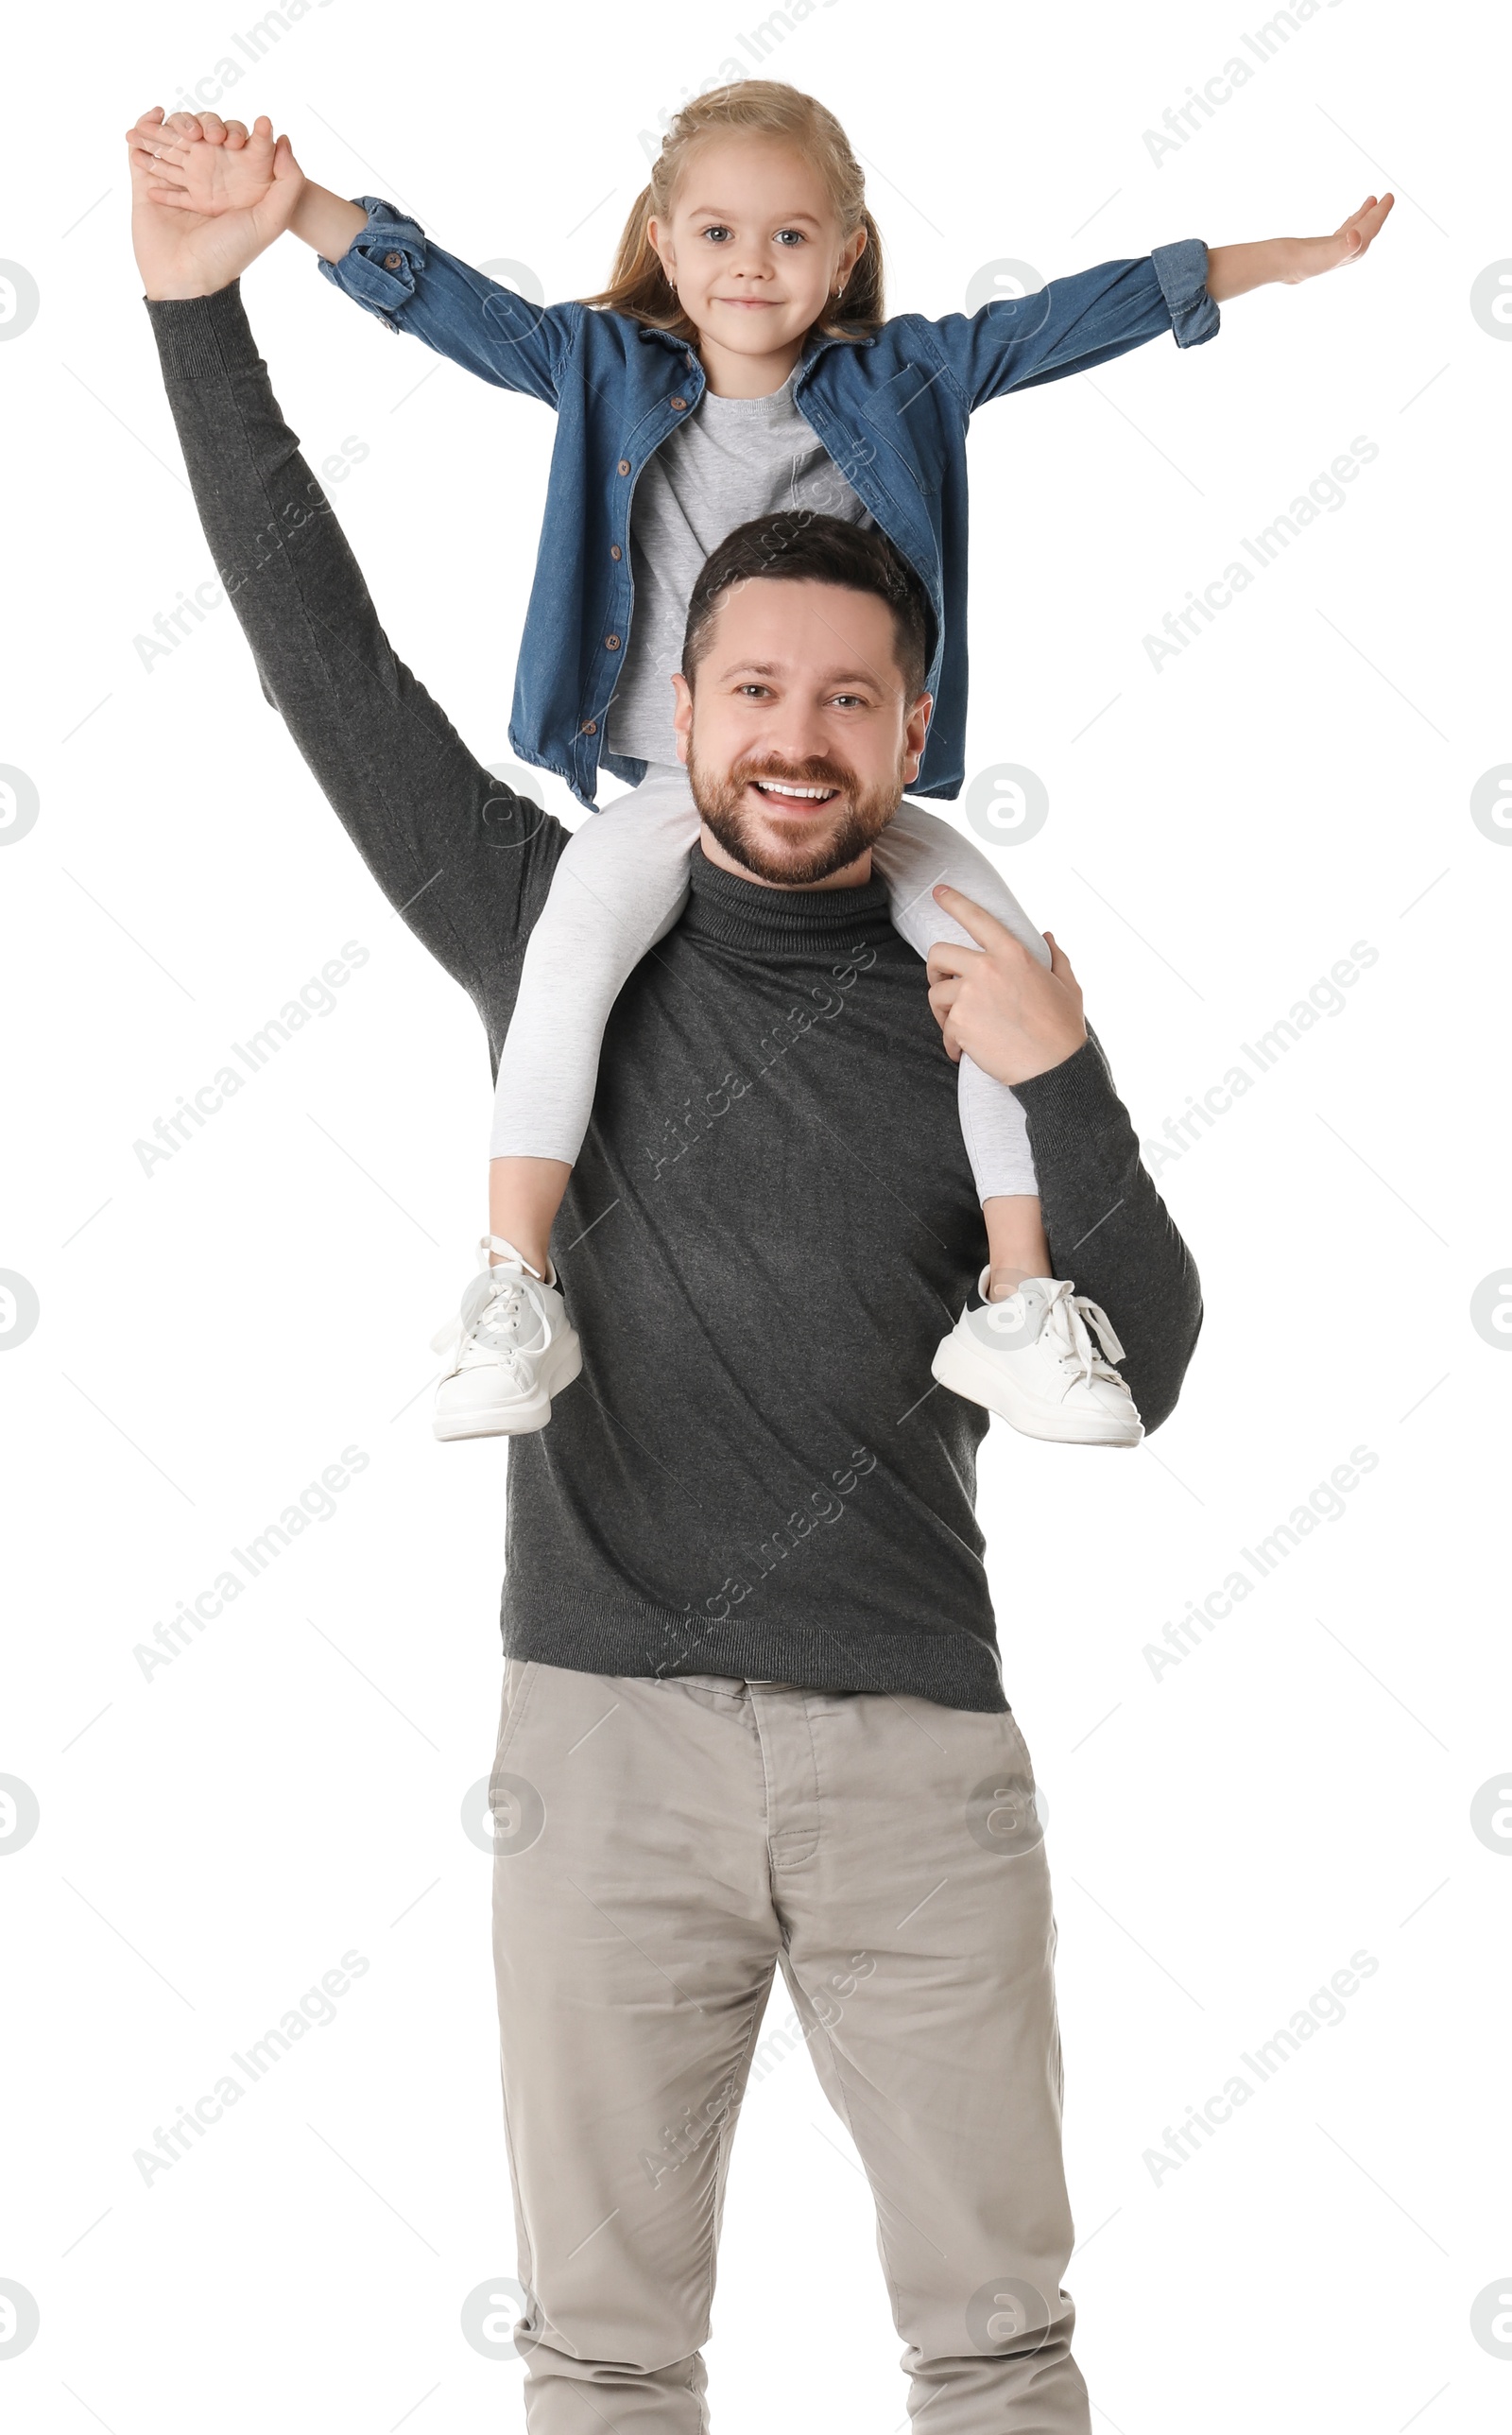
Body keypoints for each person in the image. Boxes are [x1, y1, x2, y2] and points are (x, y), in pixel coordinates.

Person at [129, 127, 1234, 2435]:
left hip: (918, 1753)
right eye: (754, 683)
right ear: (691, 686)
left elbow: (1165, 1348)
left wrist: (1082, 1081)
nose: (795, 734)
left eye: (851, 701)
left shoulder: (984, 981)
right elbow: (318, 664)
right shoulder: (545, 931)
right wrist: (194, 318)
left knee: (995, 2326)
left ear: (907, 721)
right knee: (608, 2338)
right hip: (597, 1735)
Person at [130, 84, 1391, 1446]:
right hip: (667, 801)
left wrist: (1288, 261)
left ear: (846, 252)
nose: (751, 265)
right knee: (561, 966)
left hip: (871, 815)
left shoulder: (902, 379)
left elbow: (1078, 316)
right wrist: (290, 216)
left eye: (790, 238)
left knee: (1001, 967)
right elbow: (447, 306)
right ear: (664, 243)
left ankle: (1020, 1300)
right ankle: (512, 1282)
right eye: (718, 231)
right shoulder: (605, 367)